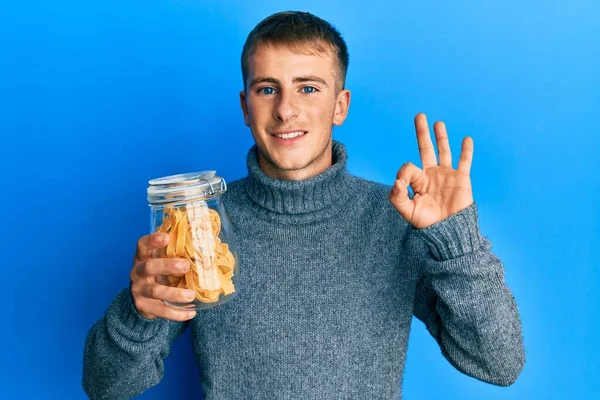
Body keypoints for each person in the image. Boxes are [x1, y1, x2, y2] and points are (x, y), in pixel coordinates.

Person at [83, 11, 525, 399]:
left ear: (340, 105)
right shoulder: (201, 225)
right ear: (245, 106)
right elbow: (105, 386)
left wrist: (458, 245)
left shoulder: (395, 218)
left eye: (309, 88)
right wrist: (138, 311)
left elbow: (499, 363)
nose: (286, 110)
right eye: (267, 89)